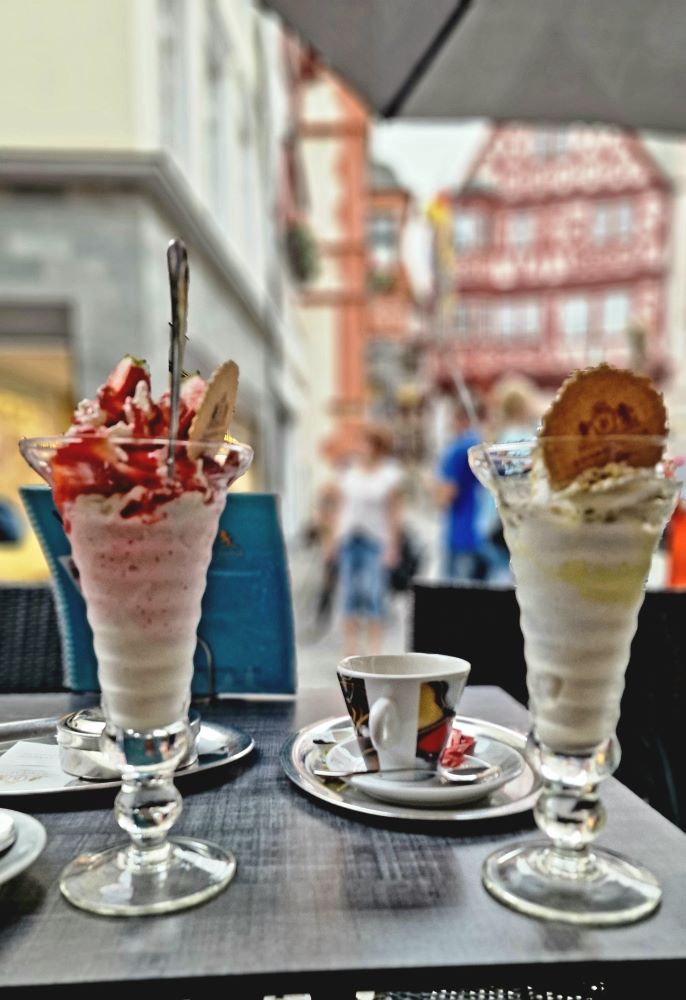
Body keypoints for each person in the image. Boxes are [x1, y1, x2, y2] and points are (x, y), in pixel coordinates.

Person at [335, 425, 404, 656]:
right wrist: (331, 539)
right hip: (349, 538)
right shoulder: (350, 471)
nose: (363, 448)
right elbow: (340, 505)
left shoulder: (389, 474)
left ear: (378, 447)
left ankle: (375, 650)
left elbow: (394, 512)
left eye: (368, 444)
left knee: (374, 594)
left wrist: (393, 546)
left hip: (375, 540)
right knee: (348, 594)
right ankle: (351, 650)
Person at [435, 402, 486, 582]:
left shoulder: (457, 449)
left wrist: (433, 489)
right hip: (479, 529)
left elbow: (448, 493)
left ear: (460, 418)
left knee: (454, 588)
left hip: (459, 531)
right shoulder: (481, 444)